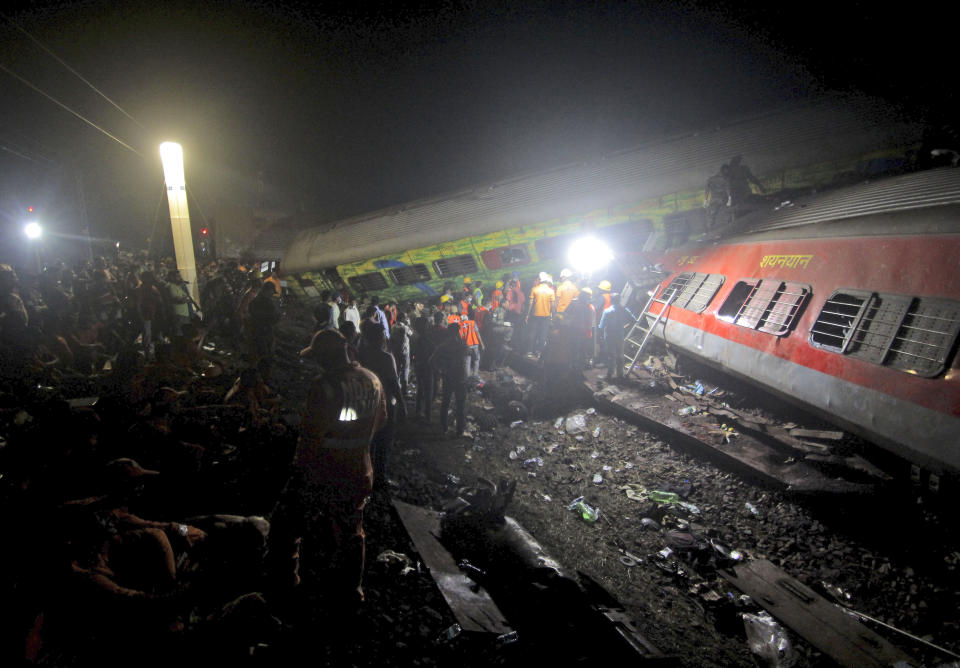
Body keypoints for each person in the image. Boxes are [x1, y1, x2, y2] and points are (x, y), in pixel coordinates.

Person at [268, 330, 387, 605]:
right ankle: (351, 592)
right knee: (352, 532)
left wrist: (299, 473)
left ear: (325, 356)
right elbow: (381, 421)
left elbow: (311, 437)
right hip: (360, 470)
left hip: (326, 470)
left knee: (287, 525)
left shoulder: (324, 386)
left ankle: (285, 584)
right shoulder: (372, 380)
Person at [430, 323, 469, 437]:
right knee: (460, 405)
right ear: (458, 331)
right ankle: (459, 430)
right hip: (461, 378)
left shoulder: (444, 346)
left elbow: (431, 361)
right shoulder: (463, 345)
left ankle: (444, 427)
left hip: (448, 378)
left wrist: (440, 371)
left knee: (445, 403)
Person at [598, 294, 636, 380]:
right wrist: (624, 327)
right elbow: (633, 320)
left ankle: (610, 374)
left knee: (611, 355)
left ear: (611, 300)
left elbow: (601, 326)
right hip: (620, 335)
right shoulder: (624, 310)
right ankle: (620, 374)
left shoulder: (607, 311)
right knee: (620, 354)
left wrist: (599, 336)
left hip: (609, 335)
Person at [525, 272, 555, 357]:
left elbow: (530, 303)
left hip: (535, 315)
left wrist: (527, 314)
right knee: (543, 334)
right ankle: (539, 352)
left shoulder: (534, 289)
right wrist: (553, 315)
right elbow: (552, 305)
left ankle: (529, 351)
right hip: (546, 316)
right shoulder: (551, 291)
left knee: (532, 333)